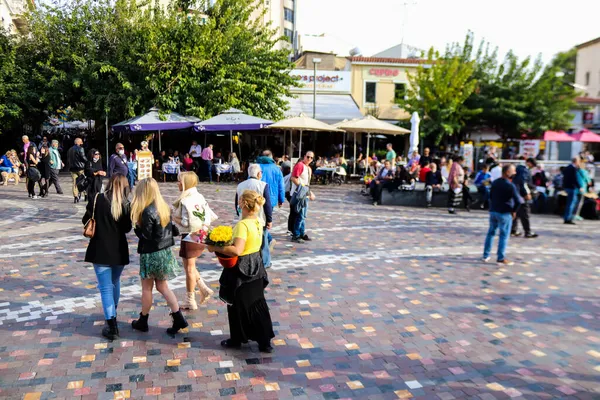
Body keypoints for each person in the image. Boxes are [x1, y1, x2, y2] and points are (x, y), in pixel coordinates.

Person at [206, 190, 275, 353]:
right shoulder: (258, 221)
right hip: (256, 266)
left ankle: (237, 338)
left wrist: (214, 247)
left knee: (237, 303)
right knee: (257, 303)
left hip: (242, 268)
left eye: (239, 201)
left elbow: (237, 250)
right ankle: (264, 340)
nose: (237, 203)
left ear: (244, 203)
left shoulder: (242, 225)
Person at [130, 178, 188, 334]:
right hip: (164, 252)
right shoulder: (163, 207)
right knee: (163, 287)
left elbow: (147, 236)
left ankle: (143, 320)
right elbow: (171, 230)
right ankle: (179, 318)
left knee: (147, 289)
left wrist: (137, 228)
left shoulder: (147, 211)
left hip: (151, 253)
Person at [82, 174, 131, 340]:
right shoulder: (125, 204)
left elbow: (85, 219)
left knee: (105, 287)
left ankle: (112, 324)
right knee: (114, 282)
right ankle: (112, 314)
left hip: (100, 249)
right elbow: (127, 228)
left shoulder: (98, 199)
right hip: (118, 250)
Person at [172, 172, 217, 310]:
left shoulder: (186, 200)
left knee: (189, 269)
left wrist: (173, 217)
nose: (178, 183)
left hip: (190, 235)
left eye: (180, 181)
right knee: (189, 266)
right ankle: (203, 288)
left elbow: (186, 222)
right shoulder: (199, 196)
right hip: (201, 233)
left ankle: (190, 300)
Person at [482, 164, 522, 266]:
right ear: (507, 172)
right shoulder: (510, 185)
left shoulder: (495, 182)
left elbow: (490, 195)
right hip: (504, 212)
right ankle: (501, 257)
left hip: (494, 210)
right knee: (504, 235)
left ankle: (486, 255)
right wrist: (514, 211)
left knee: (491, 232)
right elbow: (519, 201)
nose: (515, 173)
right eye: (513, 171)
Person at [236, 164, 273, 267]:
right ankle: (265, 262)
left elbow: (236, 203)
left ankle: (248, 262)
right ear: (258, 173)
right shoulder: (263, 185)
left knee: (247, 242)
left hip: (244, 219)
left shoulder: (240, 185)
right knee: (263, 242)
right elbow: (267, 205)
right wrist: (269, 219)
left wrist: (239, 214)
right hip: (259, 219)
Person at [290, 151, 315, 243]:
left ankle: (301, 233)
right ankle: (296, 235)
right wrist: (304, 189)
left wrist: (308, 192)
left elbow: (307, 183)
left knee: (303, 216)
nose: (309, 159)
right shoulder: (300, 165)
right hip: (299, 195)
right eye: (308, 157)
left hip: (305, 195)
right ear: (304, 156)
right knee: (300, 215)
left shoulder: (308, 168)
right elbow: (293, 178)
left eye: (311, 158)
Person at [510, 159, 538, 238]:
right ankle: (527, 231)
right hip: (522, 194)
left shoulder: (518, 168)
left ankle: (513, 230)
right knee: (525, 213)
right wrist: (526, 193)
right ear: (529, 163)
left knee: (516, 211)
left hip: (515, 193)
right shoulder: (525, 170)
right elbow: (523, 182)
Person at [67, 138, 88, 203]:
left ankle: (75, 196)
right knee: (84, 181)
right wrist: (88, 162)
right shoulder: (80, 148)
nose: (82, 143)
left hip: (73, 168)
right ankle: (86, 195)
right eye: (81, 141)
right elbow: (83, 157)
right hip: (80, 168)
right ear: (78, 142)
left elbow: (68, 158)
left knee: (75, 183)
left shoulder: (70, 149)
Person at [563, 157, 582, 225]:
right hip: (572, 187)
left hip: (567, 187)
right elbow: (575, 179)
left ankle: (567, 217)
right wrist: (579, 186)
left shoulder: (567, 168)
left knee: (569, 203)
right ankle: (568, 218)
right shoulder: (573, 169)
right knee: (571, 204)